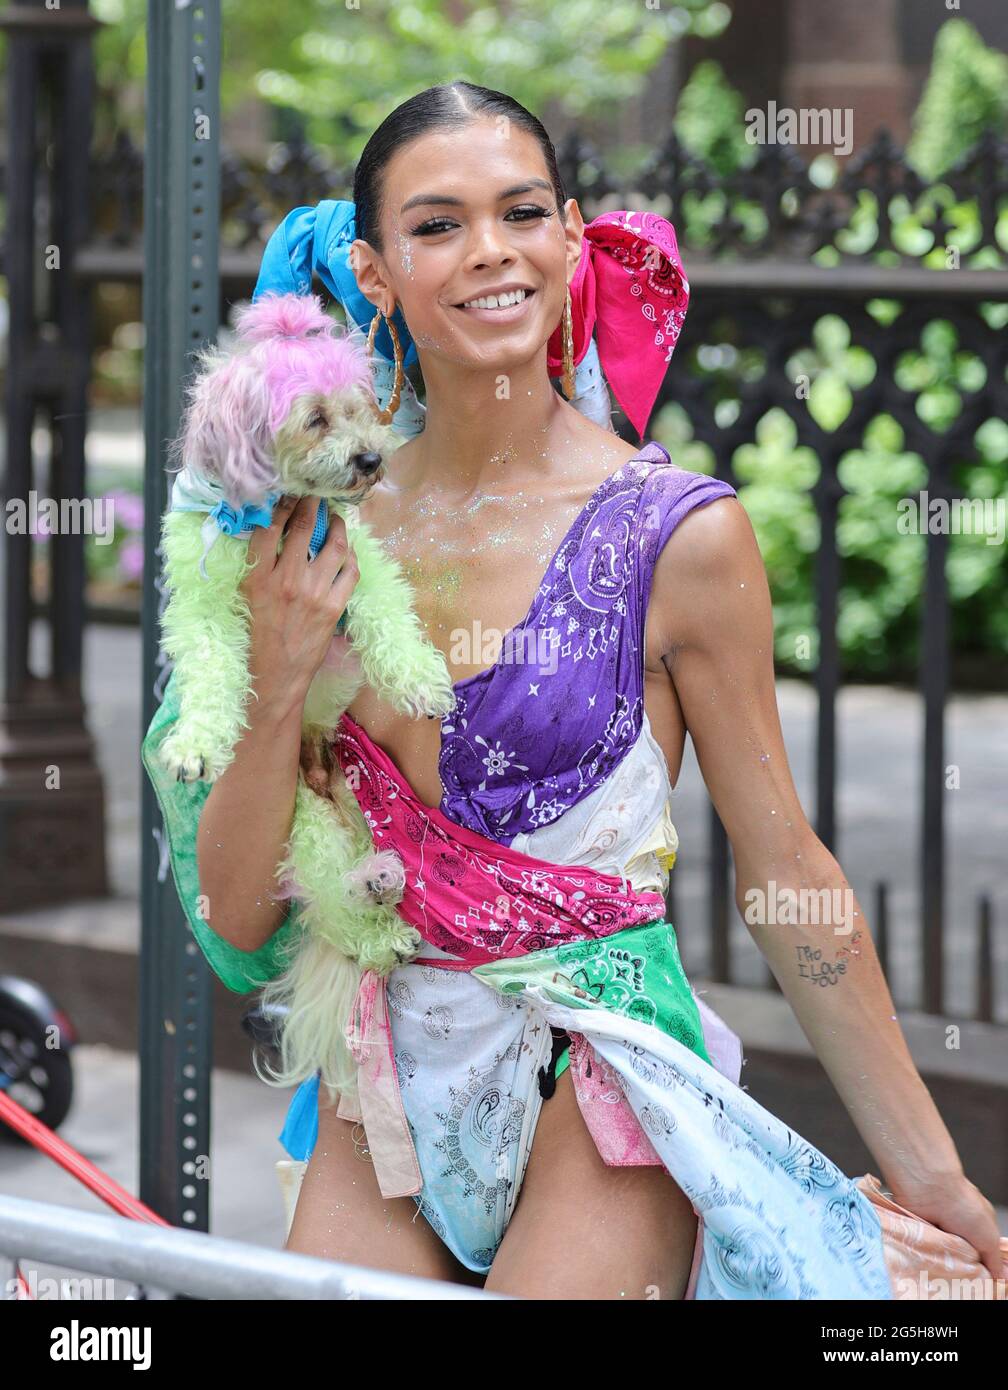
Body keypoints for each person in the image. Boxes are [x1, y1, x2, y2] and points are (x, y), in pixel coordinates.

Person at [147, 81, 1003, 1300]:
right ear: (373, 271)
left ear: (568, 233)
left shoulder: (679, 536)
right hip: (383, 1077)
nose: (489, 251)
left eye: (522, 211)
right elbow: (234, 926)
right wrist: (278, 677)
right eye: (437, 225)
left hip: (600, 1078)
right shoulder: (305, 541)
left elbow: (787, 873)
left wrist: (933, 1173)